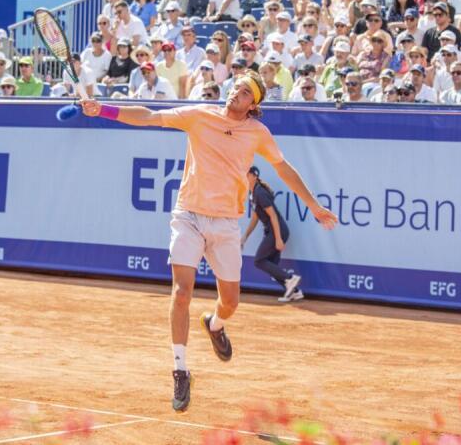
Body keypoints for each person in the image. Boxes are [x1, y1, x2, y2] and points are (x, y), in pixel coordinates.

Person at [79, 70, 338, 413]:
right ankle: (180, 368)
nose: (236, 93)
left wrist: (314, 206)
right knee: (181, 292)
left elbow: (285, 169)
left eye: (245, 92)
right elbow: (150, 117)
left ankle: (215, 325)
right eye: (236, 87)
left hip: (227, 224)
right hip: (188, 215)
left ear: (253, 104)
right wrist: (105, 111)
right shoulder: (200, 115)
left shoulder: (257, 133)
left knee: (230, 300)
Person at [241, 165, 304, 302]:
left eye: (246, 174)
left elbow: (273, 216)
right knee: (272, 267)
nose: (244, 176)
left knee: (259, 261)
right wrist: (245, 237)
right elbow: (255, 218)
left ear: (254, 176)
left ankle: (290, 279)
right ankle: (294, 291)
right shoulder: (253, 194)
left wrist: (278, 239)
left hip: (278, 231)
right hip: (273, 231)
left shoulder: (260, 193)